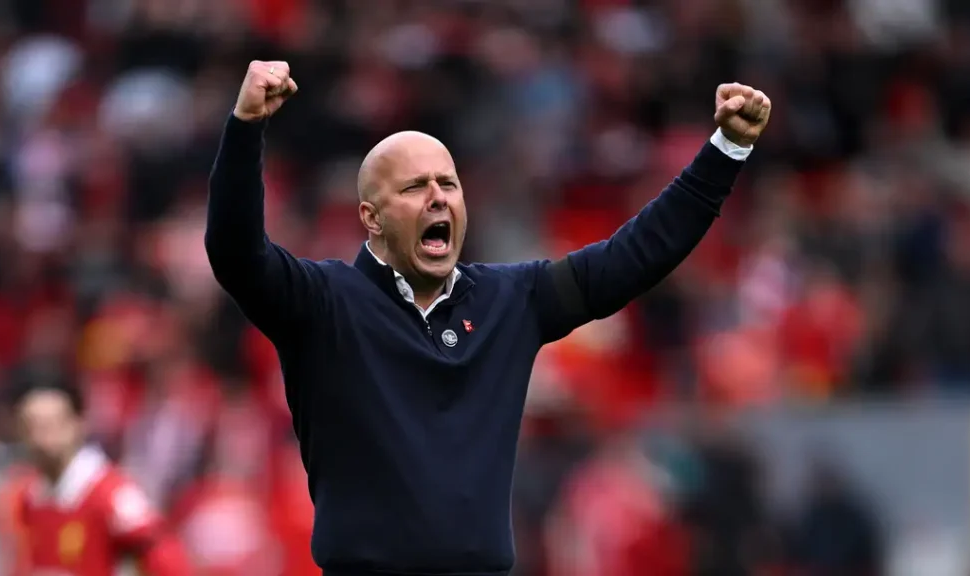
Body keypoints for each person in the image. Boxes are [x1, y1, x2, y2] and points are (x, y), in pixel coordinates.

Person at [205, 60, 771, 576]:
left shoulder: (510, 300)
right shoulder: (322, 302)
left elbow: (635, 256)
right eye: (415, 187)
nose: (438, 197)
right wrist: (246, 127)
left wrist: (728, 149)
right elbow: (235, 253)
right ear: (371, 218)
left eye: (448, 184)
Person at [2, 381, 191, 576]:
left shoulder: (112, 494)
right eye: (31, 427)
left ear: (79, 424)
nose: (41, 439)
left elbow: (165, 556)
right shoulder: (31, 498)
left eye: (51, 426)